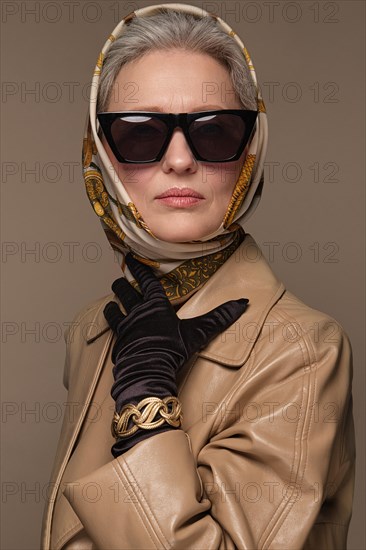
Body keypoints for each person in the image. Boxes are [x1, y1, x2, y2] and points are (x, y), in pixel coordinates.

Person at [41, 3, 355, 549]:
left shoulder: (303, 348)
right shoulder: (92, 327)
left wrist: (147, 409)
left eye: (213, 131)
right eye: (140, 134)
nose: (180, 160)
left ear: (250, 151)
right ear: (101, 154)